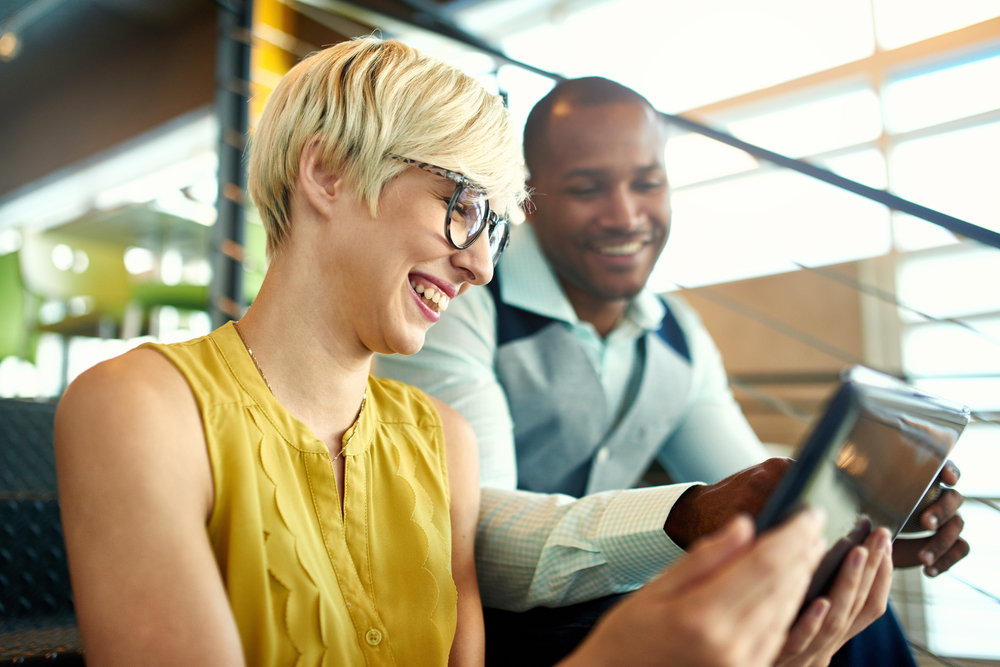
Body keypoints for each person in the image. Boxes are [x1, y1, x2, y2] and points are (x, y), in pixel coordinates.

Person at [53, 38, 883, 667]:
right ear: (327, 173)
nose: (482, 263)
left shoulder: (445, 444)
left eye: (494, 227)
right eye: (458, 206)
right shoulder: (138, 410)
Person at [374, 77, 969, 665]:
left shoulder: (676, 333)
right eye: (587, 188)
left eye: (648, 183)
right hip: (497, 628)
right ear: (530, 196)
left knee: (838, 601)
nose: (626, 216)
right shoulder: (461, 297)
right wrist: (688, 514)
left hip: (600, 607)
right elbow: (477, 541)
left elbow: (741, 480)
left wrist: (860, 524)